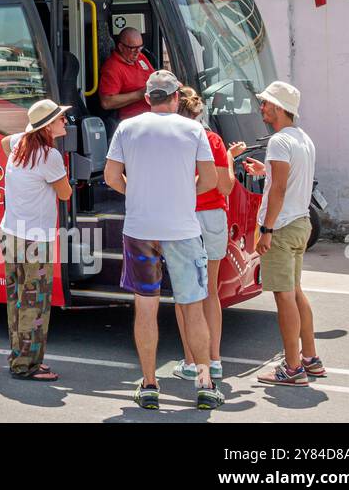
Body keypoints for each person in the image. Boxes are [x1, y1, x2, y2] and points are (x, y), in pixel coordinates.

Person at [104, 70, 223, 410]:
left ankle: (149, 384)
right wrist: (184, 194)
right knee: (193, 306)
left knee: (146, 307)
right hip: (183, 230)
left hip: (141, 230)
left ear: (147, 98)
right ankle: (204, 383)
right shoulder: (194, 128)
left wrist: (138, 193)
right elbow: (211, 178)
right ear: (174, 98)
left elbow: (112, 177)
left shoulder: (127, 128)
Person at [243, 81, 323, 386]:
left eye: (265, 103)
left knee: (284, 297)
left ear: (278, 108)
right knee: (296, 291)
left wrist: (266, 229)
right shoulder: (303, 139)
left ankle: (291, 367)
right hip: (301, 223)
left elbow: (278, 190)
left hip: (283, 226)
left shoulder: (278, 142)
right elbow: (287, 179)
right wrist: (264, 171)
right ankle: (310, 358)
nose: (261, 108)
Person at [171, 87, 245, 384]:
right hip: (215, 217)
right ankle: (214, 360)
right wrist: (228, 157)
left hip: (184, 218)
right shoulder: (212, 139)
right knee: (211, 291)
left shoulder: (173, 139)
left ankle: (191, 362)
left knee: (184, 296)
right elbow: (226, 187)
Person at [0, 99, 72, 381]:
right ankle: (27, 366)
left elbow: (4, 142)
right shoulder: (49, 157)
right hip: (35, 240)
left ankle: (18, 355)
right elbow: (65, 194)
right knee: (35, 303)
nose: (64, 122)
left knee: (16, 300)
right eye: (60, 119)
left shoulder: (19, 143)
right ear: (47, 126)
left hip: (10, 233)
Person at [98, 27, 155, 120]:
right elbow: (106, 102)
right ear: (121, 47)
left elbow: (153, 75)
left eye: (140, 47)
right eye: (133, 48)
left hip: (154, 112)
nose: (137, 52)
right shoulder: (112, 68)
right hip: (135, 119)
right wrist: (140, 94)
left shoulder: (140, 57)